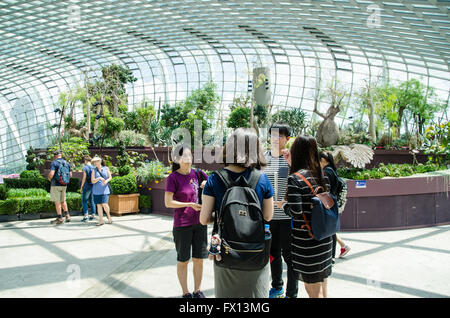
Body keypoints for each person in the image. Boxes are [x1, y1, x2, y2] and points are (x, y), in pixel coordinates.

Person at [200, 128, 274, 298]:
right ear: (256, 149)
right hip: (256, 253)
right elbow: (268, 216)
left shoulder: (215, 178)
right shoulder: (262, 179)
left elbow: (203, 219)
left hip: (225, 252)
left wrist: (220, 217)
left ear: (230, 147)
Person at [281, 135, 332, 298]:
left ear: (296, 151)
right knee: (318, 285)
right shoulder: (322, 175)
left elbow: (295, 212)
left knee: (311, 289)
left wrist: (283, 205)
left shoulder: (294, 179)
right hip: (324, 238)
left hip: (306, 243)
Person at [164, 145, 209, 299]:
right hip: (182, 225)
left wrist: (207, 185)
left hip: (200, 222)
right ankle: (186, 292)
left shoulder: (199, 174)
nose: (189, 159)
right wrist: (188, 204)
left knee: (199, 259)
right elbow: (168, 202)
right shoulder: (173, 178)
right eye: (185, 156)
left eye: (190, 155)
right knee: (183, 260)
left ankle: (198, 290)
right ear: (177, 159)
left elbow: (214, 186)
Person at [264, 123, 298, 298]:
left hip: (288, 217)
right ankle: (277, 287)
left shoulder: (293, 159)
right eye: (273, 135)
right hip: (269, 217)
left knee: (290, 257)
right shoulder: (262, 159)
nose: (275, 139)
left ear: (287, 139)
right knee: (273, 254)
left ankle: (292, 293)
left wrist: (291, 162)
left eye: (280, 136)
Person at [319, 152, 351, 260]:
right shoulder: (332, 170)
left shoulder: (327, 172)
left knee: (330, 230)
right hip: (332, 203)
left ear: (323, 160)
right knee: (331, 229)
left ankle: (331, 256)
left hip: (328, 203)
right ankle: (339, 249)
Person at [48, 150, 72, 225]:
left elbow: (51, 174)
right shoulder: (67, 163)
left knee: (57, 201)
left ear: (55, 156)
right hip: (64, 184)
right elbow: (70, 175)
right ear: (61, 155)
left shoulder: (54, 163)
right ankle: (67, 215)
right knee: (63, 200)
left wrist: (49, 179)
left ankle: (60, 218)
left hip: (56, 184)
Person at [91, 156, 112, 226]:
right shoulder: (94, 170)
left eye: (96, 161)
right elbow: (92, 181)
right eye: (94, 162)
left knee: (105, 204)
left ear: (99, 161)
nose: (95, 163)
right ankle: (101, 220)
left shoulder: (106, 168)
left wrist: (106, 181)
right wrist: (99, 178)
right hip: (96, 191)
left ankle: (108, 216)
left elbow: (110, 177)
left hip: (105, 190)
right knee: (99, 205)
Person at [80, 156, 96, 222]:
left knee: (84, 201)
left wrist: (81, 186)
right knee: (92, 200)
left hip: (87, 186)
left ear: (85, 161)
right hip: (93, 185)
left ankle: (86, 216)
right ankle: (93, 215)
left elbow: (84, 177)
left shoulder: (85, 167)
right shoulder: (94, 167)